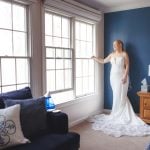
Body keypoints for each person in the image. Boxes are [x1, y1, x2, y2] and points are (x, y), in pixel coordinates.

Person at [90, 40, 150, 137]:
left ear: (120, 44)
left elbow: (127, 66)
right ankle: (116, 113)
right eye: (113, 44)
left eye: (115, 44)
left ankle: (122, 114)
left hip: (122, 77)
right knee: (116, 96)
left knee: (121, 96)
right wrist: (95, 58)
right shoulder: (112, 55)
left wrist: (125, 76)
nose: (114, 45)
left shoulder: (124, 54)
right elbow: (103, 61)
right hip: (113, 78)